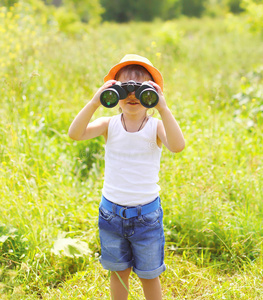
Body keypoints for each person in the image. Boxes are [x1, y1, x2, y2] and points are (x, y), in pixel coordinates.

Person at [68, 54, 185, 300]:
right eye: (124, 89)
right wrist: (93, 102)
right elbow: (75, 134)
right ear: (113, 94)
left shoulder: (156, 127)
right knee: (119, 273)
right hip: (111, 214)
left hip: (146, 217)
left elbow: (177, 145)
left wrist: (163, 108)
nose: (132, 95)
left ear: (152, 96)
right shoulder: (108, 124)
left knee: (149, 275)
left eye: (141, 89)